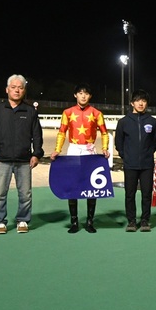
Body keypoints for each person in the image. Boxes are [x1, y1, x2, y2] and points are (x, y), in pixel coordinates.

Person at [0, 74, 44, 234]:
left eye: (20, 88)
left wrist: (36, 154)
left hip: (24, 161)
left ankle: (23, 220)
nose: (17, 90)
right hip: (1, 160)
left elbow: (37, 135)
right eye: (13, 87)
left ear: (24, 91)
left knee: (25, 194)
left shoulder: (30, 111)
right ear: (7, 89)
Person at [50, 83, 110, 234]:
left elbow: (104, 132)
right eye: (80, 93)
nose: (83, 96)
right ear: (75, 95)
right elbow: (62, 132)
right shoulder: (67, 112)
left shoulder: (97, 113)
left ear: (90, 96)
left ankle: (90, 221)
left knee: (92, 187)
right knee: (72, 185)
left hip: (90, 150)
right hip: (74, 149)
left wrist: (104, 148)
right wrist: (57, 150)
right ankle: (74, 222)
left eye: (86, 93)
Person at [115, 89, 156, 233]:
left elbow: (155, 141)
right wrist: (126, 156)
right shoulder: (123, 122)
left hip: (147, 164)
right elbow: (119, 142)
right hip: (130, 164)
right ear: (132, 103)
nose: (141, 103)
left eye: (144, 101)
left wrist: (148, 154)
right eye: (138, 100)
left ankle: (145, 220)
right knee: (130, 194)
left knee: (146, 194)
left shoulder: (153, 122)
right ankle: (132, 221)